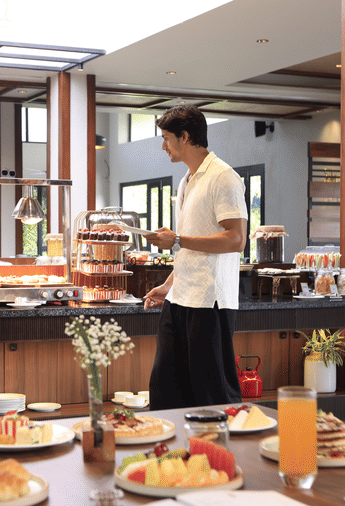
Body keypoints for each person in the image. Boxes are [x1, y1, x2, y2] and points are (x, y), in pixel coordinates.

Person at [143, 105, 248, 410]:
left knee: (212, 395)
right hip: (180, 298)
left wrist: (175, 239)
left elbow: (236, 238)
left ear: (185, 136)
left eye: (166, 138)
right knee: (165, 391)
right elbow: (190, 247)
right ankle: (175, 456)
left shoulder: (223, 177)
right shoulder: (187, 181)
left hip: (208, 302)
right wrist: (168, 285)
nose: (163, 146)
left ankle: (225, 455)